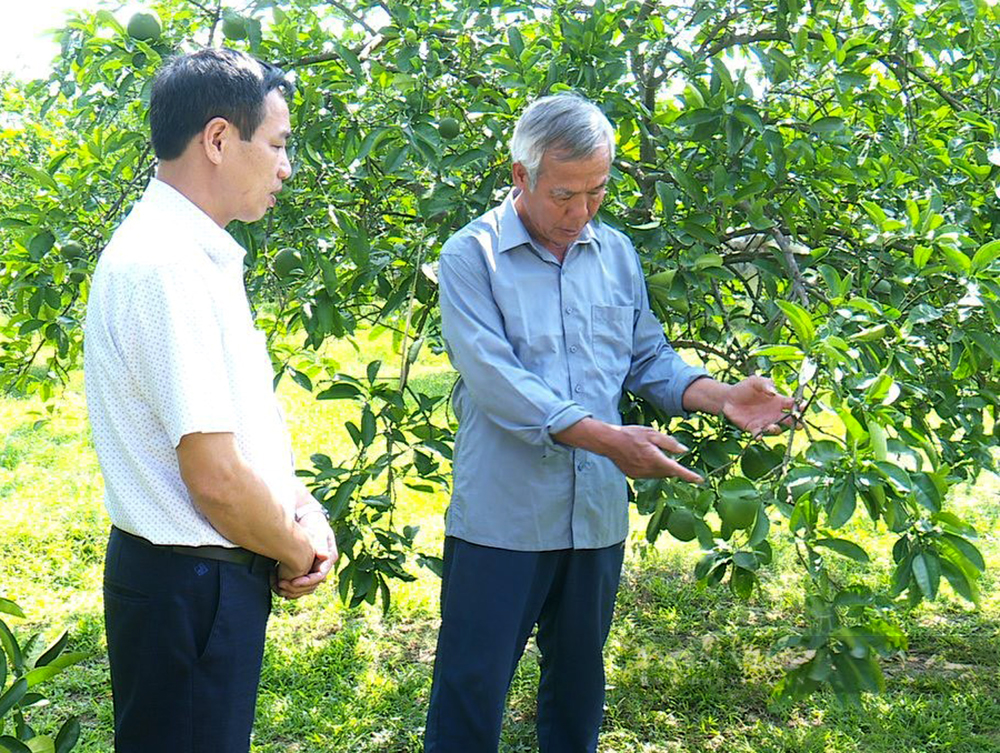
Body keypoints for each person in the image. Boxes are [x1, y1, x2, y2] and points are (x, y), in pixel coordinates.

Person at [423, 93, 795, 753]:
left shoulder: (615, 252)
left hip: (593, 515)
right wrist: (606, 439)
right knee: (470, 693)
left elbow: (647, 356)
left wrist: (722, 396)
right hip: (503, 521)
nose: (581, 211)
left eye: (597, 191)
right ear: (520, 175)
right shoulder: (470, 256)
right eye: (564, 194)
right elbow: (496, 380)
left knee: (576, 694)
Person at [84, 49, 336, 753]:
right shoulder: (167, 266)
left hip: (198, 578)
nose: (286, 166)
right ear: (220, 139)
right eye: (279, 144)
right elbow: (217, 479)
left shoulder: (193, 255)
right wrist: (296, 549)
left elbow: (239, 430)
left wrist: (300, 510)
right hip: (192, 583)